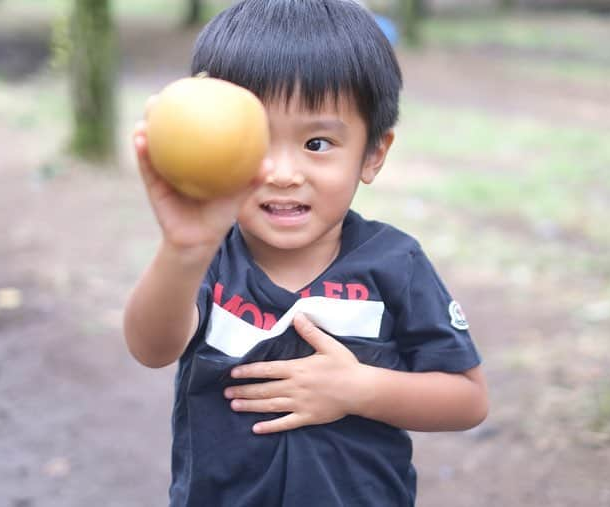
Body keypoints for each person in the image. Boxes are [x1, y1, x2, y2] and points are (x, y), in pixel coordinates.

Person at [124, 0, 488, 505]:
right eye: (257, 141)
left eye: (317, 143)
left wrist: (358, 389)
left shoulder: (395, 263)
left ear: (373, 154)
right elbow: (151, 348)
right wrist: (183, 248)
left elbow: (467, 399)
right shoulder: (207, 258)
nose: (283, 172)